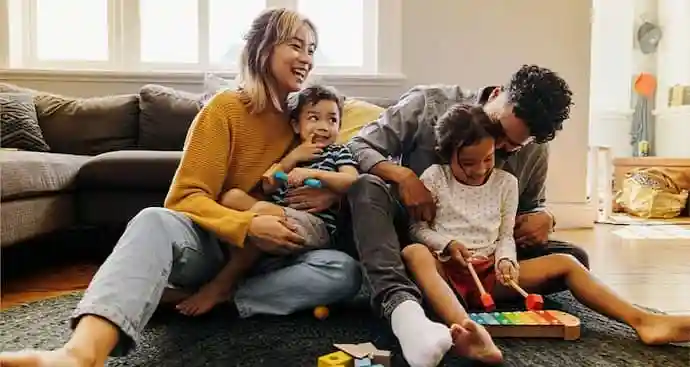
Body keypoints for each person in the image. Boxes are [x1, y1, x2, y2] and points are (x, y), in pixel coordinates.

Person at [0, 8, 362, 367]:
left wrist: (331, 193)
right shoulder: (225, 109)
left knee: (343, 271)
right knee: (153, 220)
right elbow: (184, 198)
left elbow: (333, 176)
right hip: (211, 246)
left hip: (270, 261)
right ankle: (79, 354)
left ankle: (212, 295)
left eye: (312, 50)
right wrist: (246, 223)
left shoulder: (302, 123)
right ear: (263, 48)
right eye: (296, 46)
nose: (306, 58)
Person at [403, 103, 690, 365]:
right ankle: (470, 331)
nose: (479, 170)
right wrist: (448, 243)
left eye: (487, 159)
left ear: (496, 149)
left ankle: (643, 321)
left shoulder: (506, 183)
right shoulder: (434, 178)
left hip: (490, 275)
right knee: (413, 253)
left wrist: (507, 261)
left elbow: (505, 236)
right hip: (447, 274)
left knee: (567, 261)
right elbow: (418, 229)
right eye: (468, 163)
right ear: (447, 153)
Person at [340, 65, 588, 367]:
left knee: (574, 258)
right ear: (496, 94)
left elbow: (530, 206)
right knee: (366, 187)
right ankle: (403, 308)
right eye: (498, 132)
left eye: (512, 147)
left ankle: (449, 294)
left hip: (477, 254)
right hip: (407, 238)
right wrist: (404, 177)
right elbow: (357, 146)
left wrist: (544, 218)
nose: (497, 149)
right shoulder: (427, 104)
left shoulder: (535, 150)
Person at [176, 85, 360, 316]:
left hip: (313, 226)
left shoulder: (338, 151)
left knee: (342, 270)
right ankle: (234, 280)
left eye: (332, 120)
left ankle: (224, 287)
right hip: (274, 222)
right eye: (314, 118)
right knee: (232, 197)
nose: (323, 126)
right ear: (296, 125)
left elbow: (353, 182)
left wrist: (316, 175)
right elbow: (268, 184)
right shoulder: (290, 151)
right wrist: (292, 159)